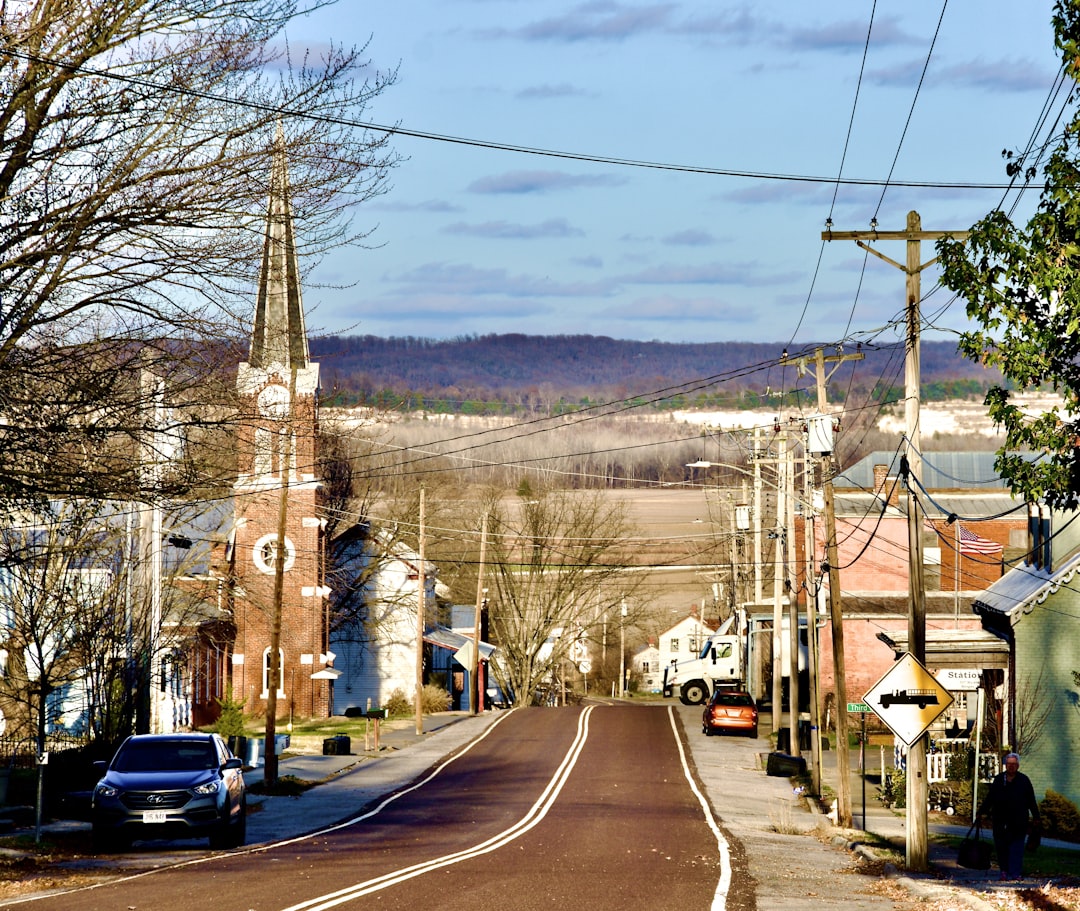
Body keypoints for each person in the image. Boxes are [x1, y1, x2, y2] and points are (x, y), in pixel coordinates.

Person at [978, 752, 1041, 881]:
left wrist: (1036, 817)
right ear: (1006, 765)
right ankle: (1004, 872)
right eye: (1009, 764)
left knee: (1017, 847)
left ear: (1017, 766)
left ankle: (1015, 873)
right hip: (1000, 820)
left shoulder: (1024, 780)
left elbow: (1031, 800)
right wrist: (981, 812)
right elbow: (990, 798)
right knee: (1001, 847)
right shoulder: (999, 780)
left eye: (1014, 764)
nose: (1011, 766)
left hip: (1019, 821)